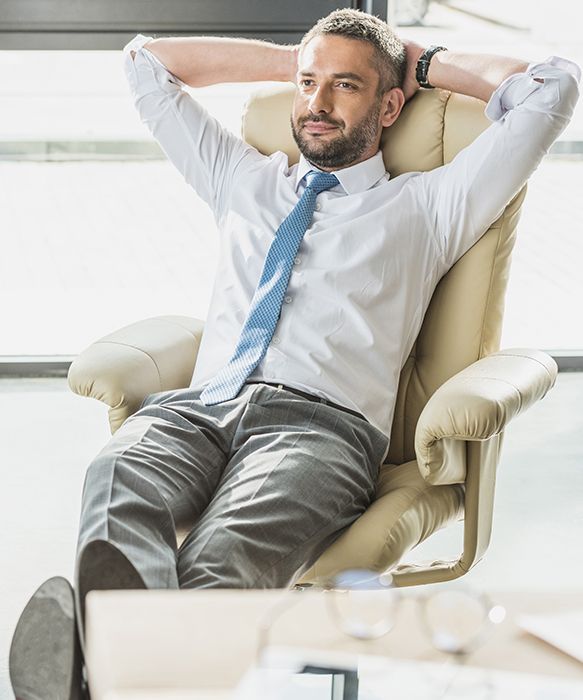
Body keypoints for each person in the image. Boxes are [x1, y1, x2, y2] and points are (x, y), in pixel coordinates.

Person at [9, 8, 580, 700]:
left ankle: (101, 674)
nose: (315, 102)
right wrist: (300, 62)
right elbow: (144, 63)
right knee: (118, 475)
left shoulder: (428, 206)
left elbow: (553, 86)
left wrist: (415, 61)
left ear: (390, 103)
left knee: (221, 561)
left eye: (345, 87)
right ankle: (125, 676)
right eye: (308, 85)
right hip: (195, 410)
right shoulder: (243, 180)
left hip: (317, 430)